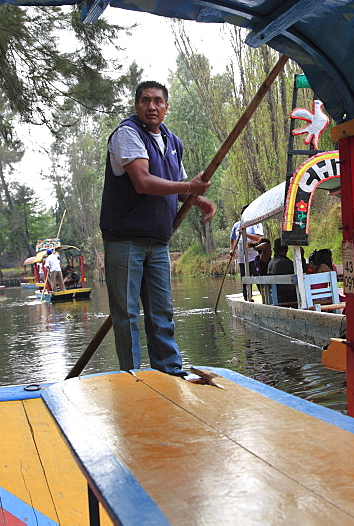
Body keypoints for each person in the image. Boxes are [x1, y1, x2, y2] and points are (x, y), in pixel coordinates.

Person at [99, 80, 216, 377]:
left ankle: (169, 372)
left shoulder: (172, 142)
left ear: (166, 107)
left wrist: (196, 199)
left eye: (158, 101)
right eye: (146, 101)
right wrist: (190, 186)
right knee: (126, 315)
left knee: (161, 313)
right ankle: (131, 376)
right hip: (125, 239)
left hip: (159, 241)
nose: (152, 106)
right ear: (137, 105)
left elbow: (176, 189)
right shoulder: (128, 134)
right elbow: (143, 182)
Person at [230, 206, 264, 299]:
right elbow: (232, 238)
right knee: (244, 280)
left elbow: (258, 238)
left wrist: (244, 233)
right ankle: (247, 299)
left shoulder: (256, 224)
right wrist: (232, 249)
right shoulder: (237, 225)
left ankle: (264, 298)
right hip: (242, 258)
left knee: (258, 279)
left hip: (254, 257)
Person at [267, 239, 297, 305]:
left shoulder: (271, 263)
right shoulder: (285, 262)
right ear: (286, 250)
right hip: (285, 295)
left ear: (274, 250)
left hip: (275, 294)